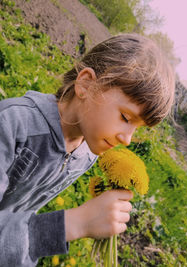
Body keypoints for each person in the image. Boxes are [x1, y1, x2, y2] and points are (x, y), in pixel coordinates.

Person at [0, 33, 175, 267]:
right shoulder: (12, 125)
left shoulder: (87, 154)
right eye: (125, 117)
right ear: (85, 84)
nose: (127, 139)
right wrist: (75, 223)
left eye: (138, 128)